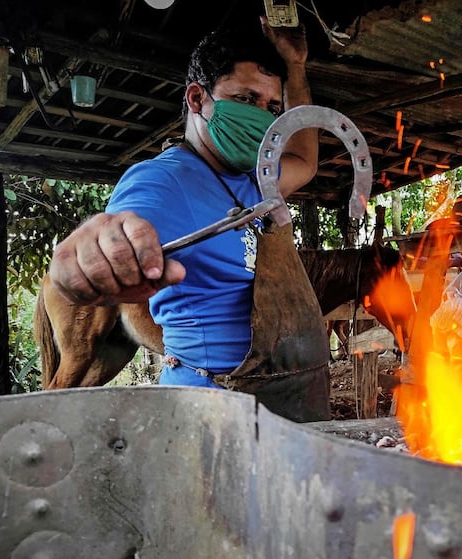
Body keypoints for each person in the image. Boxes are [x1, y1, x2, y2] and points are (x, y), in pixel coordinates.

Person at [47, 18, 328, 419]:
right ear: (197, 100)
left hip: (284, 402)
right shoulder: (162, 179)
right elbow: (121, 224)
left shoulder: (257, 179)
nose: (263, 119)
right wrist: (90, 250)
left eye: (273, 108)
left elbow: (304, 158)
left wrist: (296, 68)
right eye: (246, 99)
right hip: (210, 409)